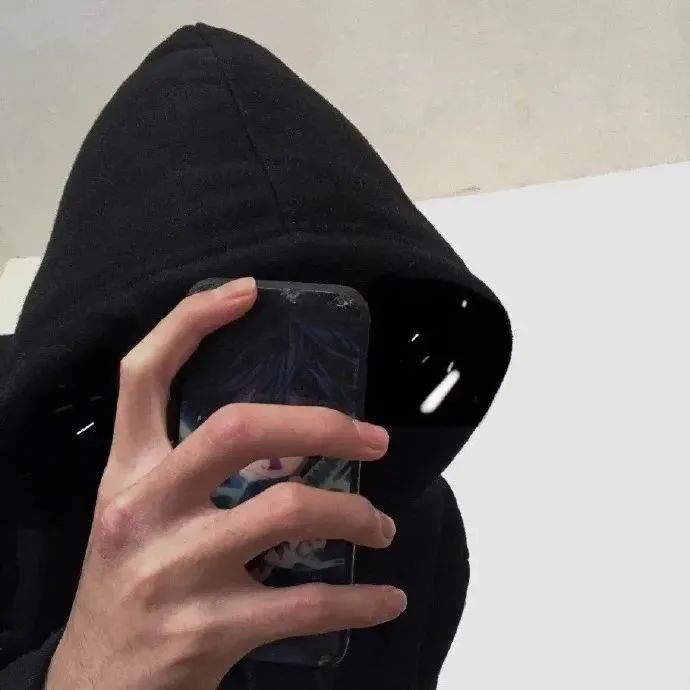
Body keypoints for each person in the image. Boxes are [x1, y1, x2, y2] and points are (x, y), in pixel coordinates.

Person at [0, 23, 513, 690]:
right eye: (217, 363)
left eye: (322, 362)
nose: (264, 428)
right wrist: (84, 673)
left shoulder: (411, 527)